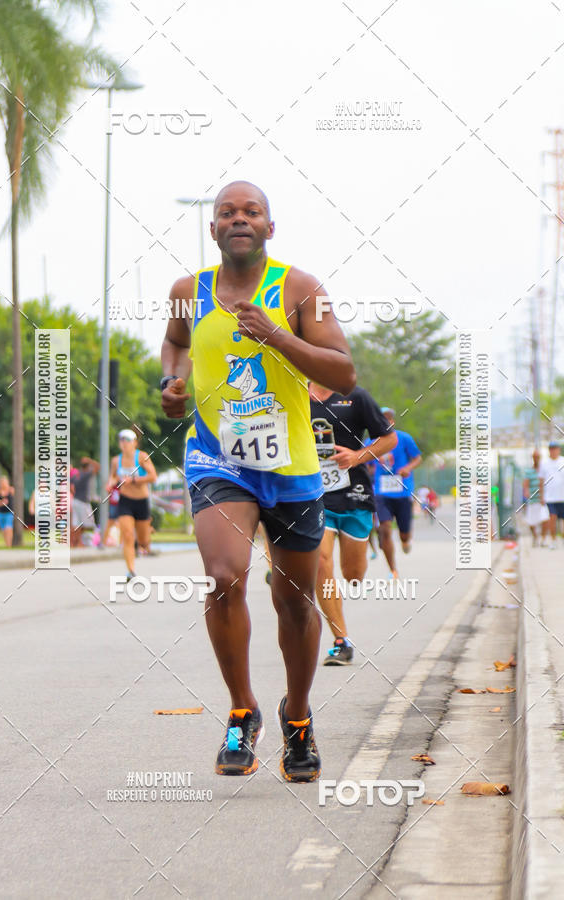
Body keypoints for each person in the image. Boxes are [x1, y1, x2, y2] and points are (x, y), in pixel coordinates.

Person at [160, 180, 356, 783]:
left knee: (294, 603)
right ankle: (242, 711)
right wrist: (171, 384)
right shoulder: (186, 292)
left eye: (252, 212)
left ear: (270, 228)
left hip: (292, 464)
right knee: (224, 577)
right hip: (219, 458)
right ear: (213, 228)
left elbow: (344, 373)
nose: (238, 218)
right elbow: (174, 343)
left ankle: (296, 718)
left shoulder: (300, 288)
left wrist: (275, 334)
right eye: (227, 212)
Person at [309, 381, 397, 665]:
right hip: (314, 494)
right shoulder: (296, 393)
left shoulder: (355, 396)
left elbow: (389, 439)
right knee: (321, 562)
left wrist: (357, 456)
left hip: (354, 493)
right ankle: (340, 641)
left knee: (353, 574)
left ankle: (356, 572)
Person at [370, 407, 422, 577]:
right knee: (384, 528)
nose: (385, 422)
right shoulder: (371, 441)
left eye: (388, 419)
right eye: (381, 418)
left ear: (392, 421)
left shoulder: (404, 438)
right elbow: (365, 463)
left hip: (402, 492)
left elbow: (417, 458)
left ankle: (406, 540)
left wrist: (408, 467)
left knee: (404, 534)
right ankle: (393, 569)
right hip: (381, 492)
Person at [107, 429, 157, 580]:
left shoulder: (142, 457)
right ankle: (131, 571)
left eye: (128, 440)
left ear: (135, 442)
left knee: (142, 541)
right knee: (127, 535)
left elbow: (153, 476)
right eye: (121, 440)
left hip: (141, 501)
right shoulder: (116, 460)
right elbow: (113, 476)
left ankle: (145, 541)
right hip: (125, 501)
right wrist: (110, 484)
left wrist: (134, 480)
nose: (124, 443)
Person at [539, 441, 564, 549]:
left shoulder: (562, 461)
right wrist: (541, 496)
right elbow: (541, 481)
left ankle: (562, 539)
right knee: (552, 518)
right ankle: (553, 540)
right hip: (550, 497)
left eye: (556, 449)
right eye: (552, 449)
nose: (554, 451)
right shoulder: (544, 463)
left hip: (562, 496)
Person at [71, 457, 99, 548]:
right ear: (88, 467)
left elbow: (71, 486)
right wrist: (90, 460)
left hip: (75, 500)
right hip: (83, 502)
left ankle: (74, 543)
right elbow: (98, 467)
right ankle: (84, 542)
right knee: (89, 523)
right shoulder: (86, 474)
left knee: (76, 523)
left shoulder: (77, 475)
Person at [523, 450, 549, 547]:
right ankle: (535, 536)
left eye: (538, 457)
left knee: (545, 519)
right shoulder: (529, 471)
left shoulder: (544, 469)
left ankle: (543, 539)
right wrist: (526, 491)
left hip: (543, 499)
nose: (536, 459)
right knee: (531, 521)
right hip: (533, 499)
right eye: (534, 457)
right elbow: (525, 483)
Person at [0, 475, 15, 547]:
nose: (3, 484)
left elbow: (16, 501)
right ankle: (7, 544)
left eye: (4, 482)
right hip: (1, 514)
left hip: (9, 513)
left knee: (8, 528)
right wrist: (1, 503)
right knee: (4, 530)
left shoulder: (11, 490)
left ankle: (9, 545)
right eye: (2, 482)